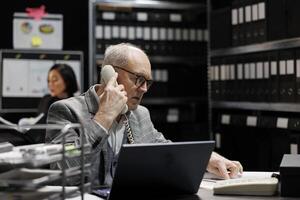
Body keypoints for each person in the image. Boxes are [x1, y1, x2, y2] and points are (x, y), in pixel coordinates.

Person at [45, 43, 243, 187]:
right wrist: (103, 117)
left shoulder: (139, 114)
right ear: (110, 74)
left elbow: (162, 149)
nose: (144, 89)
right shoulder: (65, 111)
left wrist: (206, 159)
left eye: (148, 82)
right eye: (139, 79)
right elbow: (64, 171)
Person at [25, 63, 78, 144]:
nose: (50, 84)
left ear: (67, 81)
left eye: (55, 80)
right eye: (49, 81)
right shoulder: (46, 100)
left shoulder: (76, 103)